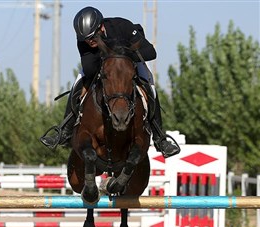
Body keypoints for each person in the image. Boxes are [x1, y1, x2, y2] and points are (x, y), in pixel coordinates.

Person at [40, 6, 180, 158]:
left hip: (129, 63)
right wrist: (108, 60)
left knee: (149, 86)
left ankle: (160, 138)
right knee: (78, 82)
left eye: (92, 37)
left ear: (101, 26)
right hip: (103, 65)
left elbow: (151, 52)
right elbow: (89, 68)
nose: (89, 42)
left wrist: (123, 56)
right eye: (86, 39)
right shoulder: (84, 39)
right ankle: (64, 131)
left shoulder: (123, 26)